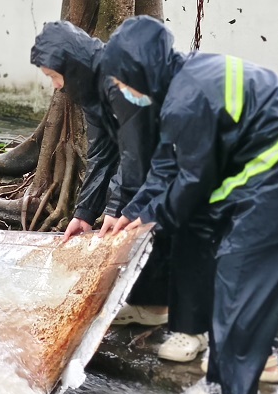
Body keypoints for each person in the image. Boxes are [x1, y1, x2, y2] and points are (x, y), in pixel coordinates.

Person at [102, 18, 278, 394]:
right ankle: (256, 363)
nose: (123, 91)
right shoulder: (182, 82)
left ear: (138, 71)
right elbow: (166, 165)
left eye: (123, 81)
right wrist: (132, 212)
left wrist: (153, 220)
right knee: (243, 262)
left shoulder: (187, 97)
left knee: (240, 263)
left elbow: (195, 181)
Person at [30, 20, 215, 364]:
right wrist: (84, 214)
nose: (56, 86)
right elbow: (103, 154)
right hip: (154, 165)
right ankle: (152, 304)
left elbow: (136, 154)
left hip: (177, 160)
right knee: (137, 223)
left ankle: (195, 326)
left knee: (177, 224)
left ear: (71, 65)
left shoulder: (118, 79)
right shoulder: (88, 90)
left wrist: (118, 207)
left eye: (54, 76)